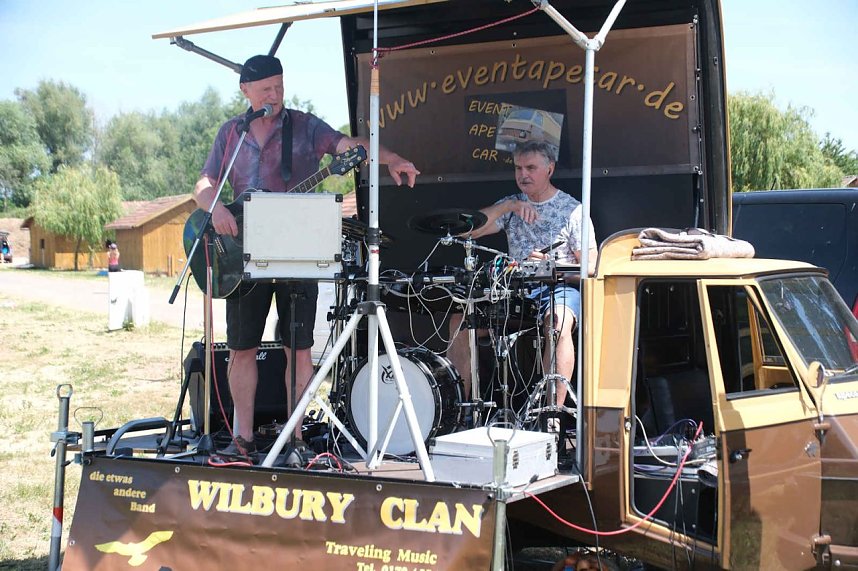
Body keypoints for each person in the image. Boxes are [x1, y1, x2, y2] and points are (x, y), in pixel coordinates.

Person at [193, 54, 420, 459]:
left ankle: (295, 439)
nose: (276, 96)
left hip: (298, 253)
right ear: (246, 91)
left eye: (280, 87)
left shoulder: (304, 126)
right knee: (241, 347)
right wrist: (216, 207)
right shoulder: (231, 132)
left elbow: (351, 145)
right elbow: (205, 183)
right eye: (267, 90)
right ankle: (242, 438)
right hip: (244, 257)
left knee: (297, 348)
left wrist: (394, 159)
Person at [447, 140, 596, 429]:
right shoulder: (512, 204)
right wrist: (510, 206)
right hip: (513, 290)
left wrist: (550, 267)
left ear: (549, 169)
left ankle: (552, 414)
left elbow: (592, 266)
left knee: (558, 323)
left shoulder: (572, 210)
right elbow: (469, 231)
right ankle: (459, 409)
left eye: (530, 168)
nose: (523, 174)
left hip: (557, 287)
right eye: (518, 168)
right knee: (460, 321)